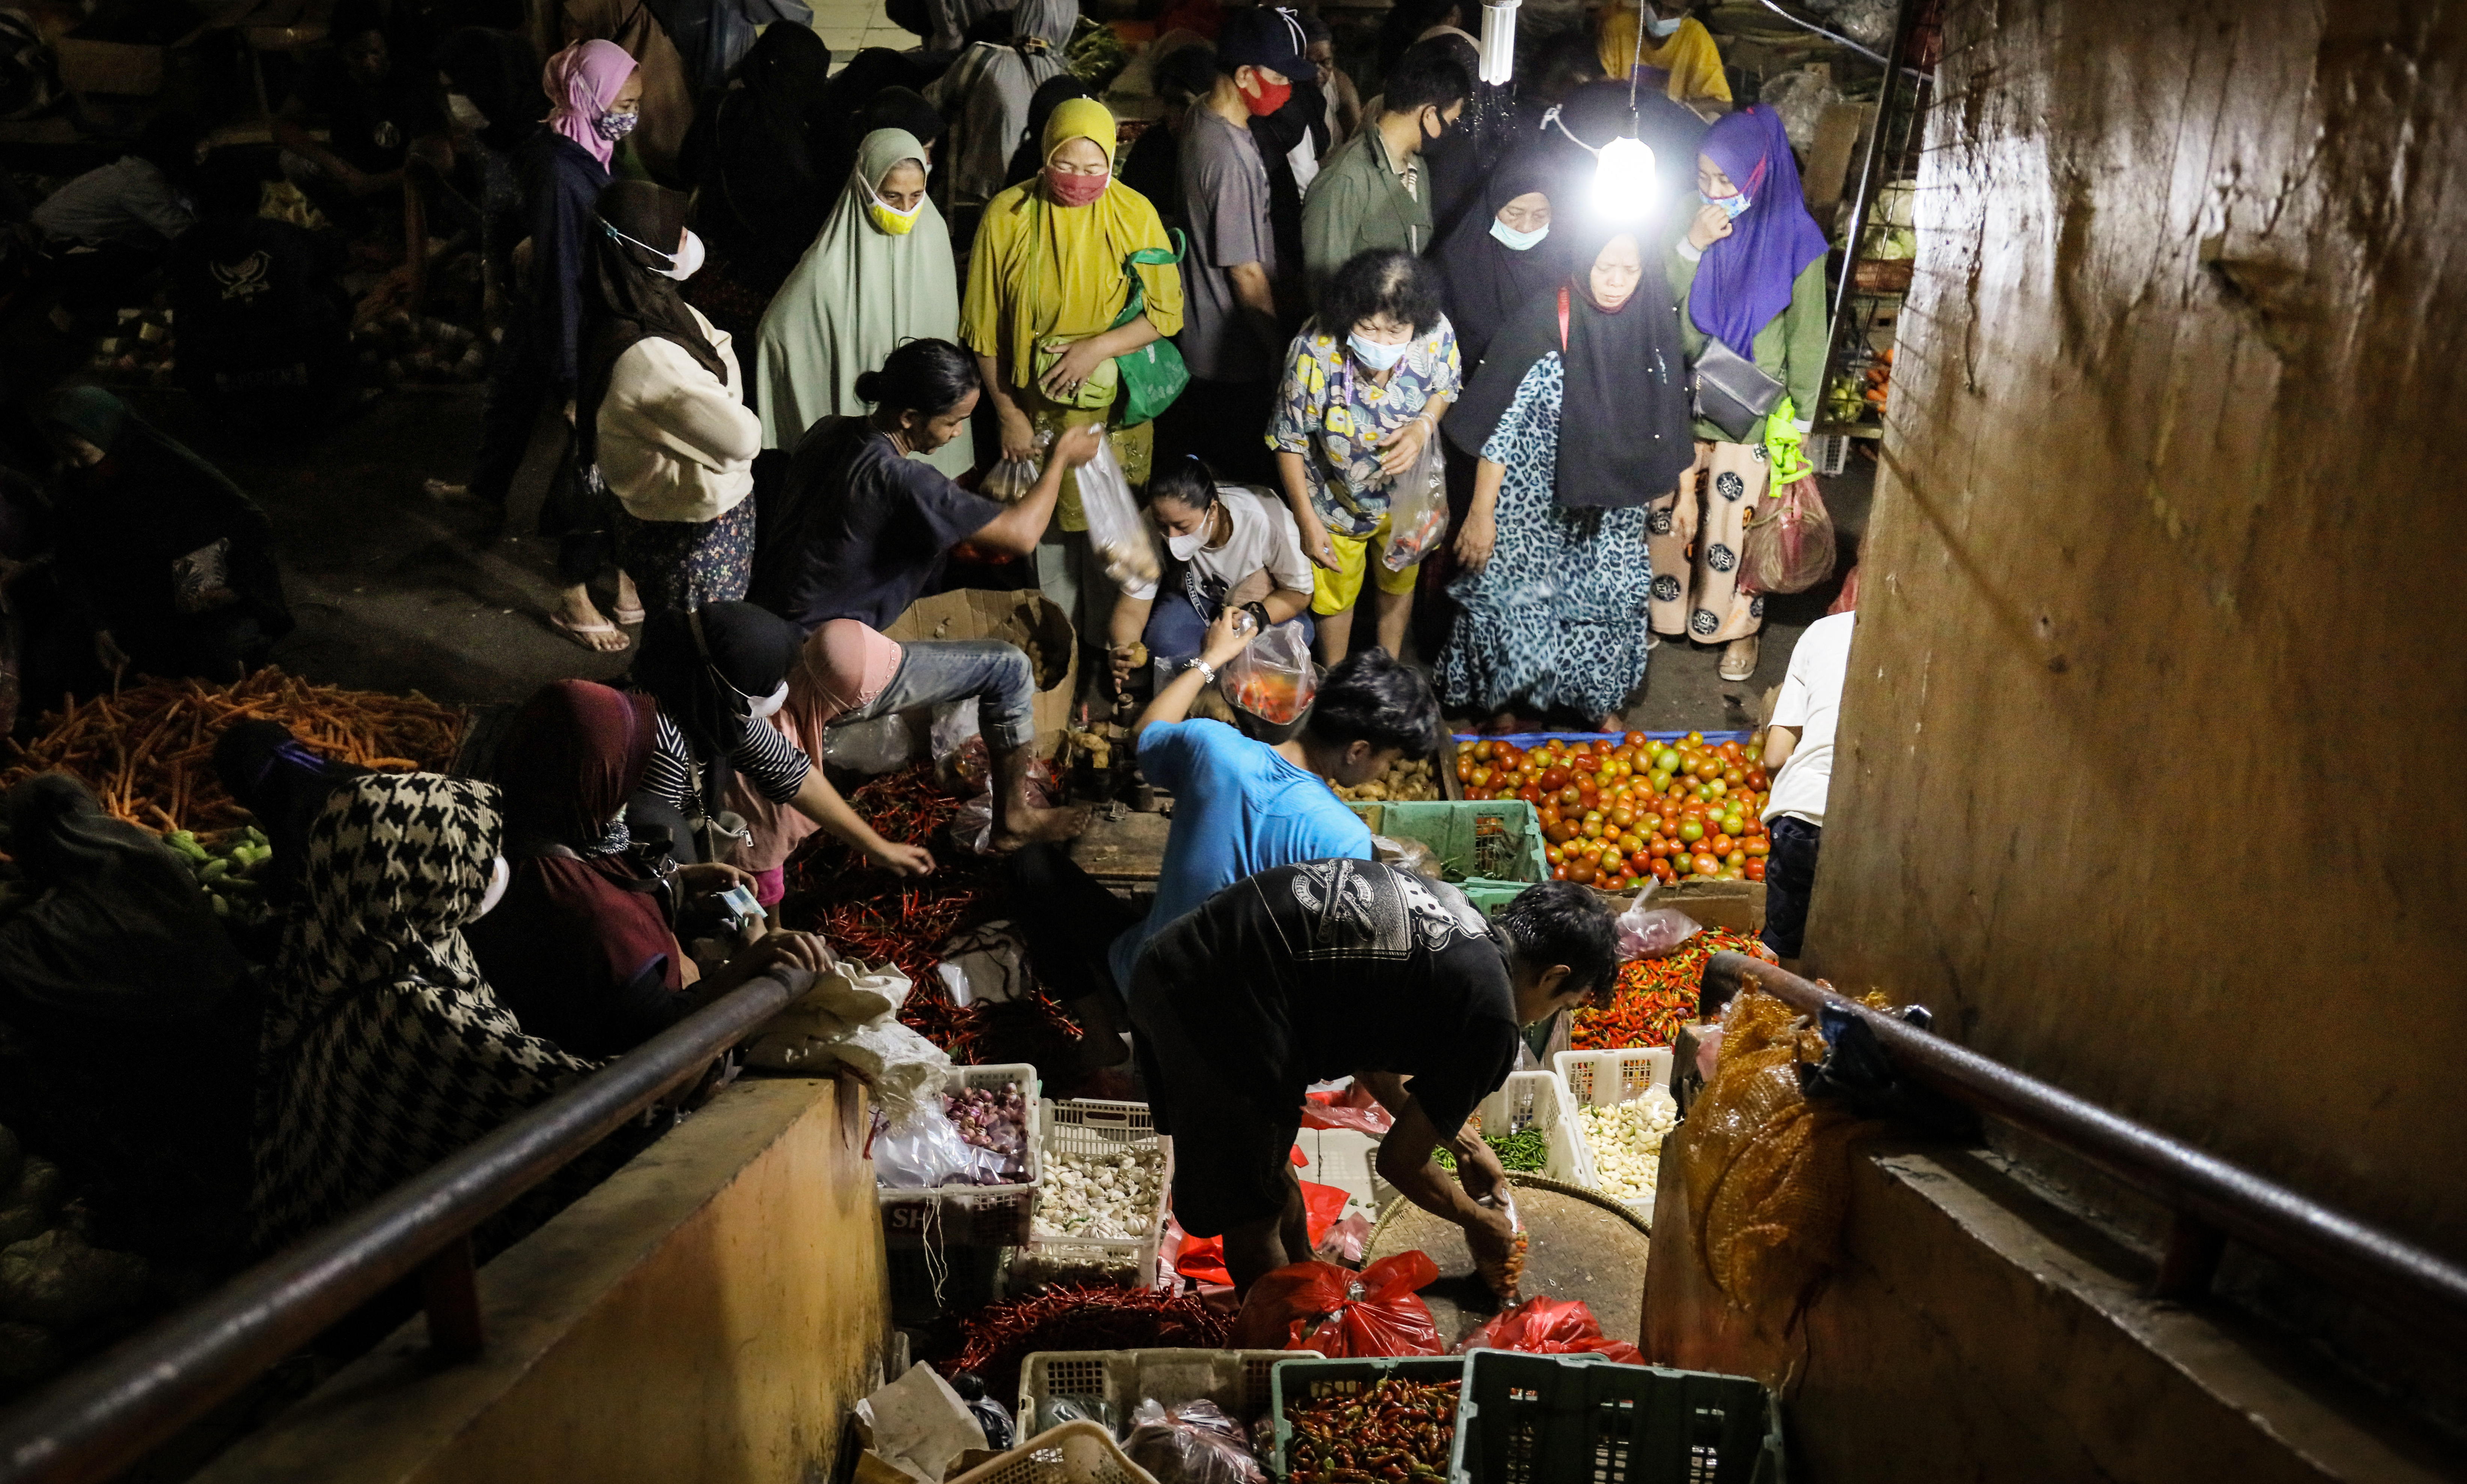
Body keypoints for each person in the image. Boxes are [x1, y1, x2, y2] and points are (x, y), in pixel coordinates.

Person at [245, 772, 833, 1257]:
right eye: (474, 861)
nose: (494, 866)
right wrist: (737, 982)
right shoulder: (418, 1013)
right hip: (385, 1264)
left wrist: (670, 887)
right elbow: (601, 1104)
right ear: (422, 887)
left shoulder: (346, 935)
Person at [1130, 867, 1614, 1291]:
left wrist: (1464, 1145)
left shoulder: (1455, 912)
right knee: (1252, 1218)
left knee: (1266, 1170)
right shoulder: (1494, 1020)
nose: (1536, 1022)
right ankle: (1280, 1360)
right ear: (1553, 977)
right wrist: (1479, 1222)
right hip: (1209, 1001)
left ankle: (1307, 1279)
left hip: (1175, 963)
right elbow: (1399, 1162)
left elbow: (1370, 1052)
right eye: (1562, 1005)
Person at [1009, 606, 1437, 1057]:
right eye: (1387, 760)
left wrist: (1212, 658)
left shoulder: (1213, 748)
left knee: (1030, 865)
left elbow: (1145, 732)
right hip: (1229, 1034)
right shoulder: (1344, 838)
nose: (1386, 769)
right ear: (1357, 751)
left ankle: (1100, 1037)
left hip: (1146, 977)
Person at [468, 679, 814, 1059]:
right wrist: (749, 964)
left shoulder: (529, 811)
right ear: (595, 778)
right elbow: (660, 1040)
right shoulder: (597, 919)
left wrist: (673, 881)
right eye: (628, 764)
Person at [962, 97, 1185, 674]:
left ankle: (1114, 655)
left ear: (1113, 161)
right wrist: (1009, 414)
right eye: (1068, 165)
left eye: (1095, 168)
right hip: (1036, 413)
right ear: (1045, 157)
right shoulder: (1007, 217)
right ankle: (1063, 660)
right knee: (1053, 540)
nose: (1081, 182)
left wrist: (1097, 349)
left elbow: (1167, 311)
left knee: (1118, 535)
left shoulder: (1134, 214)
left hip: (1114, 414)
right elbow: (984, 331)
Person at [1437, 220, 1690, 728]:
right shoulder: (1542, 321)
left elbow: (1671, 414)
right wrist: (1482, 513)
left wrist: (1687, 495)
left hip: (1612, 504)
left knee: (1608, 595)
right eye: (1605, 267)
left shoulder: (1651, 323)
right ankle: (1506, 702)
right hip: (1533, 499)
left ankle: (1597, 701)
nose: (1617, 281)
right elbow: (1499, 423)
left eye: (1630, 270)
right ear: (1582, 262)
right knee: (1518, 597)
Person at [455, 39, 642, 651]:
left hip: (574, 318)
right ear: (590, 96)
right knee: (592, 457)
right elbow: (563, 272)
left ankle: (598, 562)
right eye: (626, 100)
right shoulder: (562, 171)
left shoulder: (584, 147)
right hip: (576, 327)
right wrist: (570, 381)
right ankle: (573, 588)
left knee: (529, 403)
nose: (632, 113)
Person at [733, 610, 1087, 903]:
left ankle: (1013, 818)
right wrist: (881, 849)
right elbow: (761, 873)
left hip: (841, 652)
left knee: (1009, 666)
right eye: (867, 700)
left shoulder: (776, 655)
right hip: (835, 672)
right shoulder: (766, 766)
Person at [753, 337, 1102, 633]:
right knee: (1007, 670)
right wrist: (1060, 460)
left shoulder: (829, 429)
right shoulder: (904, 480)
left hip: (770, 612)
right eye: (953, 422)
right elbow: (1021, 535)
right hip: (814, 645)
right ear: (909, 418)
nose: (959, 432)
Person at [1653, 105, 1827, 680]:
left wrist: (1799, 422)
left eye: (1726, 180)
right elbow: (1658, 295)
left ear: (1759, 172)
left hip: (1753, 406)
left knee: (1738, 521)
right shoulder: (1686, 214)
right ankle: (1665, 614)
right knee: (1668, 513)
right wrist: (1692, 244)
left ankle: (1737, 628)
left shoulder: (1799, 238)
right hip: (1682, 390)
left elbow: (1808, 336)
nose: (1712, 190)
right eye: (1704, 177)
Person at [630, 602, 937, 875]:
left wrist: (878, 848)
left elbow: (791, 772)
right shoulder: (662, 745)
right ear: (729, 689)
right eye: (770, 683)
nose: (781, 691)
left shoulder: (710, 709)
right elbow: (656, 858)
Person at [1267, 248, 1460, 664]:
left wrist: (1423, 426)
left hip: (1406, 499)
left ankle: (1388, 666)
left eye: (1395, 333)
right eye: (1368, 329)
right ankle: (1335, 678)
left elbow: (1444, 385)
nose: (1381, 343)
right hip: (1335, 501)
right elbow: (1289, 440)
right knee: (1334, 595)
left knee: (1399, 580)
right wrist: (1306, 521)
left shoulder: (1435, 333)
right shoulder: (1313, 351)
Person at [580, 180, 762, 619]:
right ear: (644, 251)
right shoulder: (652, 359)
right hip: (690, 531)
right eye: (677, 235)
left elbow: (718, 342)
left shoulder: (640, 303)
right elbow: (743, 440)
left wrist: (719, 401)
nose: (689, 242)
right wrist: (729, 406)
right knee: (699, 646)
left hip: (684, 515)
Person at [36, 387, 294, 687]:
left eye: (80, 454)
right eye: (64, 453)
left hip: (204, 605)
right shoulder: (76, 490)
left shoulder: (171, 473)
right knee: (55, 667)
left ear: (113, 439)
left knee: (223, 665)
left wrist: (236, 589)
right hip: (130, 610)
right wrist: (98, 627)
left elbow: (251, 525)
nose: (72, 465)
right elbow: (72, 560)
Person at [753, 129, 970, 473]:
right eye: (891, 196)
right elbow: (778, 331)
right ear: (864, 186)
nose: (905, 209)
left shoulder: (933, 233)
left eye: (917, 195)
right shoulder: (828, 262)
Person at [1158, 7, 1306, 484]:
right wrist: (1274, 348)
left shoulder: (1203, 114)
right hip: (1229, 357)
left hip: (1204, 343)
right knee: (1242, 485)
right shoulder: (1226, 155)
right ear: (1245, 75)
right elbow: (1244, 272)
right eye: (1280, 75)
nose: (1286, 87)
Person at [168, 154, 355, 436]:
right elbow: (337, 255)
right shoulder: (284, 235)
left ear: (198, 202)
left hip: (217, 386)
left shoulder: (182, 249)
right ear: (257, 197)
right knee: (329, 289)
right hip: (309, 378)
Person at [1107, 453, 1312, 691]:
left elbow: (1300, 594)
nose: (1171, 537)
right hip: (1201, 604)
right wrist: (1123, 649)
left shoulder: (1266, 520)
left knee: (1294, 641)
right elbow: (1132, 607)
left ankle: (1223, 687)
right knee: (1162, 644)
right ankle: (1216, 686)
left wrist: (1252, 618)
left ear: (1213, 510)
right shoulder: (1151, 523)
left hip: (1259, 606)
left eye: (1183, 527)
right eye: (1164, 526)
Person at [1297, 38, 1470, 303]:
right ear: (1429, 115)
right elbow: (1324, 290)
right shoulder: (1345, 181)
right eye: (1452, 120)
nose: (1454, 130)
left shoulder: (1417, 167)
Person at [677, 23, 837, 297]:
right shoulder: (781, 132)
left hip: (711, 267)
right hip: (763, 280)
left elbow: (686, 167)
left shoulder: (719, 105)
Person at [271, 0, 452, 227]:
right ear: (341, 55)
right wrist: (338, 169)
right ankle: (353, 227)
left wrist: (372, 184)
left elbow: (443, 161)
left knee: (420, 163)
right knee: (293, 161)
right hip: (352, 169)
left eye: (375, 52)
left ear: (386, 47)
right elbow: (281, 126)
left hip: (400, 175)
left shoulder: (409, 75)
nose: (370, 63)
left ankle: (406, 225)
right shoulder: (327, 67)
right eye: (358, 56)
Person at [928, 0, 1078, 240]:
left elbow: (935, 99)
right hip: (1033, 194)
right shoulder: (1067, 78)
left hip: (974, 191)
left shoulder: (983, 56)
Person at [31, 112, 202, 314]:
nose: (199, 157)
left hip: (53, 236)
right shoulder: (141, 182)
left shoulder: (134, 170)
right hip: (52, 246)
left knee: (154, 251)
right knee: (133, 264)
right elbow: (186, 234)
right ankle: (117, 308)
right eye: (197, 151)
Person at [1759, 608, 1851, 961]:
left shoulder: (1824, 630)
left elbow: (1776, 758)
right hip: (1890, 832)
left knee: (1786, 952)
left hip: (1807, 817)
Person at [1429, 145, 1565, 369]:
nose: (1525, 226)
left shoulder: (1564, 263)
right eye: (1514, 213)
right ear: (1493, 205)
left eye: (1540, 216)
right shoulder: (1454, 263)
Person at [558, 0, 694, 183]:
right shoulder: (637, 37)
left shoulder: (640, 75)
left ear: (608, 17)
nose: (573, 35)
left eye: (577, 25)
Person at [1116, 43, 1217, 229]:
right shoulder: (1152, 146)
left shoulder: (1225, 155)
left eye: (1183, 103)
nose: (1171, 115)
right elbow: (1124, 211)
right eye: (1167, 101)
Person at [1597, 0, 1731, 113]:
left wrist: (1672, 109)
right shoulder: (1618, 27)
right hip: (1622, 114)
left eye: (1673, 12)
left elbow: (1724, 103)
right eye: (1657, 6)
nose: (1661, 17)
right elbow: (1599, 87)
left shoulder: (1695, 36)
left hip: (1671, 121)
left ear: (1686, 13)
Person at [1003, 75, 1099, 190]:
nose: (1078, 180)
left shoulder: (1026, 156)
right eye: (1064, 167)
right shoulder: (1027, 164)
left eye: (1091, 171)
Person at [1301, 12, 1361, 149]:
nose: (1318, 72)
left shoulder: (1340, 84)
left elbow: (1357, 137)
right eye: (1309, 63)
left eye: (1326, 62)